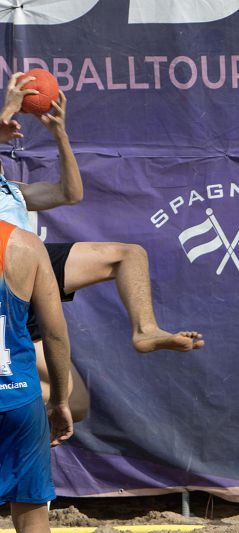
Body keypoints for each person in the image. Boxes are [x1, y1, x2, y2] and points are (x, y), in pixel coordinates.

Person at [0, 72, 202, 422]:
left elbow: (70, 193)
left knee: (128, 256)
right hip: (6, 267)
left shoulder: (12, 189)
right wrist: (6, 112)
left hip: (29, 268)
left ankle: (145, 331)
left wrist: (59, 134)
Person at [0, 217, 74, 533]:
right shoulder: (25, 246)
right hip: (16, 395)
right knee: (31, 520)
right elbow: (56, 333)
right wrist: (61, 397)